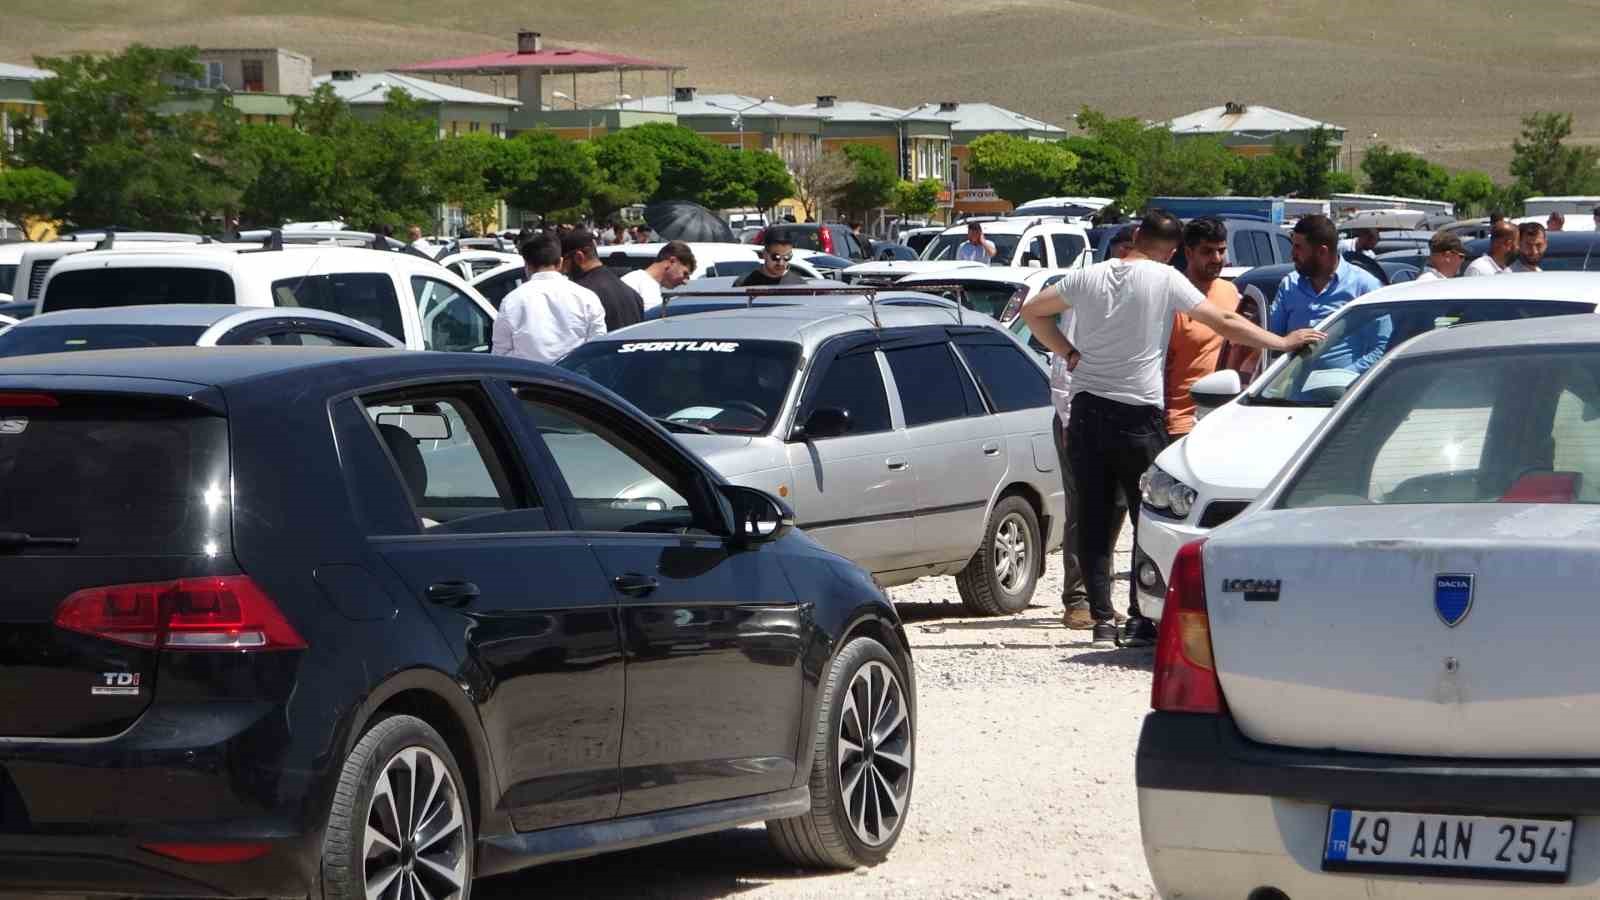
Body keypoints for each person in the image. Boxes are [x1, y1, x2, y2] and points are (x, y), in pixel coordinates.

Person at [1020, 210, 1323, 648]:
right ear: (1176, 250)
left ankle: (1101, 618)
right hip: (1138, 415)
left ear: (1137, 236)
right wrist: (1282, 342)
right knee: (1150, 518)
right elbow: (1225, 322)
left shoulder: (1089, 276)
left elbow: (1033, 312)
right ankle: (1140, 617)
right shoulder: (1165, 280)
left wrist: (1066, 351)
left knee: (1093, 517)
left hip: (1087, 410)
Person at [1164, 218, 1240, 438]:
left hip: (1228, 418)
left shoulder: (1231, 291)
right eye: (1207, 251)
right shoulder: (1172, 298)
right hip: (1182, 424)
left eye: (1221, 250)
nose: (1217, 258)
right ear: (1189, 253)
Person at [491, 233, 607, 364]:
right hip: (574, 380)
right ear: (560, 263)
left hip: (527, 380)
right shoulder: (587, 298)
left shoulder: (512, 301)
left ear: (527, 264)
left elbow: (500, 354)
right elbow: (597, 347)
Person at [1272, 215, 1383, 335]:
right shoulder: (1289, 284)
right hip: (1291, 354)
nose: (1292, 254)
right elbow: (1272, 336)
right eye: (1293, 246)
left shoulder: (1365, 287)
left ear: (1322, 252)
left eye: (1298, 247)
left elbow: (1381, 343)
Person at [562, 230, 644, 331]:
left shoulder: (580, 295)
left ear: (579, 257)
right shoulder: (632, 293)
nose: (563, 269)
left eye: (564, 262)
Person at [621, 241, 696, 314]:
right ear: (672, 261)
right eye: (684, 273)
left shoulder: (661, 291)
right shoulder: (632, 282)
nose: (685, 282)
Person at [735, 236, 807, 286]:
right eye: (776, 257)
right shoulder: (745, 284)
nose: (781, 263)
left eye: (786, 257)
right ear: (764, 254)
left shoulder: (799, 286)